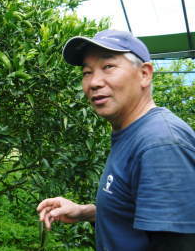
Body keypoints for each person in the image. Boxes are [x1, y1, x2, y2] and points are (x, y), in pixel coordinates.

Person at [37, 30, 195, 250]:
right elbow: (133, 210)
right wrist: (85, 212)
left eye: (108, 67)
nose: (94, 82)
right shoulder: (133, 132)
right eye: (87, 72)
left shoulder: (160, 144)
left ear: (144, 74)